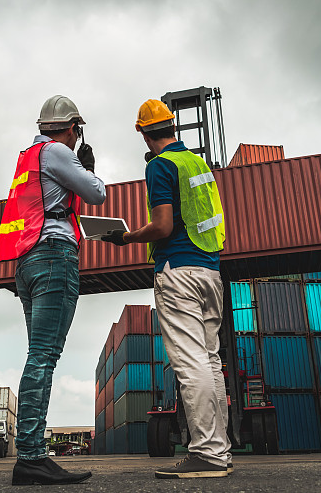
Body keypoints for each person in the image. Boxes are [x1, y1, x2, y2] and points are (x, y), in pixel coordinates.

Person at [101, 99, 230, 479]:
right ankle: (220, 450)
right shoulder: (197, 164)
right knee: (210, 361)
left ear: (142, 133)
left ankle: (206, 454)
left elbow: (162, 226)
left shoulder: (160, 165)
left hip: (178, 270)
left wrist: (125, 237)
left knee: (191, 362)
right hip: (210, 271)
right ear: (172, 127)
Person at [0, 95, 105, 485]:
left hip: (27, 260)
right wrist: (88, 169)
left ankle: (32, 454)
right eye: (77, 132)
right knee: (43, 357)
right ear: (73, 128)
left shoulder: (28, 156)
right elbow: (97, 194)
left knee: (37, 355)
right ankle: (31, 456)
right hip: (54, 255)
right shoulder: (58, 152)